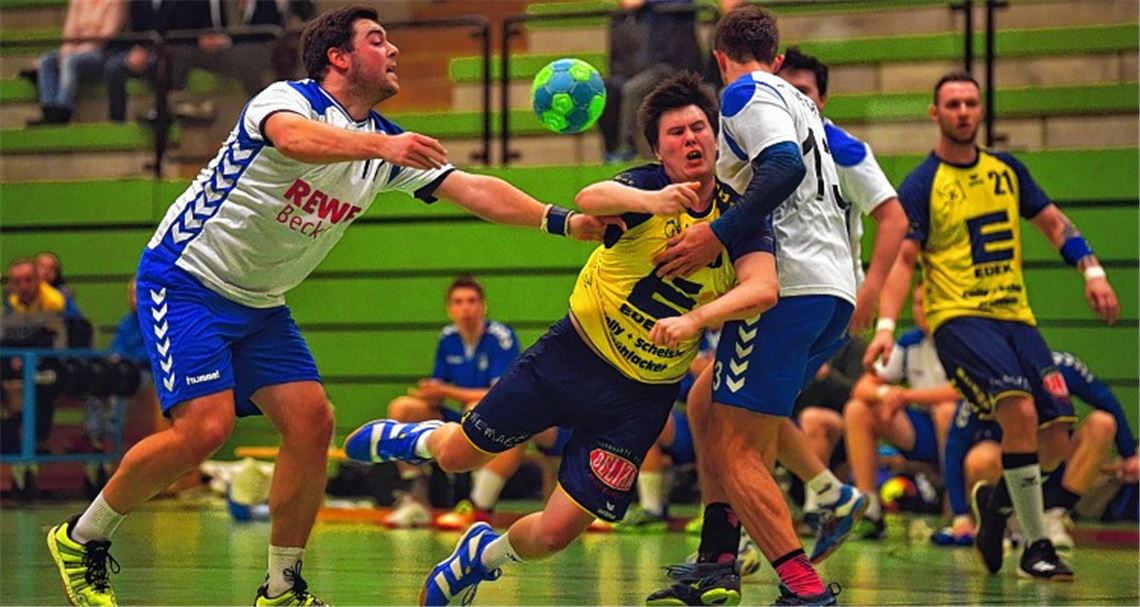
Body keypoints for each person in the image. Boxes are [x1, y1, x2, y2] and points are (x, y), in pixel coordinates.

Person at [45, 6, 612, 607]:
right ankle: (84, 537)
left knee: (313, 422)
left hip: (261, 302)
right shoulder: (286, 101)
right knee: (204, 428)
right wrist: (383, 146)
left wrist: (564, 220)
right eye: (377, 39)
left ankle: (281, 587)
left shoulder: (381, 147)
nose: (392, 50)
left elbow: (472, 188)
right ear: (338, 57)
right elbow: (294, 141)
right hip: (187, 280)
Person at [344, 71, 779, 607]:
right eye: (676, 133)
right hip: (571, 357)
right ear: (658, 150)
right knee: (459, 457)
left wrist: (697, 319)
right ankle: (414, 439)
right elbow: (589, 195)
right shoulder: (644, 188)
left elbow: (764, 288)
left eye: (698, 128)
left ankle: (480, 557)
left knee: (554, 533)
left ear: (715, 138)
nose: (691, 139)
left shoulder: (738, 217)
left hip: (639, 399)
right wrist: (652, 203)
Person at [863, 71, 1119, 581]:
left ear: (981, 111)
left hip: (1015, 317)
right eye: (952, 104)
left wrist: (1092, 270)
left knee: (1057, 437)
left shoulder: (1007, 171)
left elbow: (1052, 222)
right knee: (1019, 411)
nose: (962, 112)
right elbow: (904, 261)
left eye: (970, 103)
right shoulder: (921, 183)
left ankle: (998, 504)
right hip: (959, 318)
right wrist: (887, 325)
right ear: (935, 114)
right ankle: (1035, 546)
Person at [646, 6, 855, 605]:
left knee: (736, 450)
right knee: (706, 400)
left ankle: (802, 585)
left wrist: (717, 232)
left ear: (718, 58)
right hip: (832, 285)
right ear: (781, 56)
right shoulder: (801, 101)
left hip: (786, 286)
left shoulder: (743, 93)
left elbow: (784, 168)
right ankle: (716, 558)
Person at [941, 350, 1139, 547]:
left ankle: (1056, 513)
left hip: (1054, 461)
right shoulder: (987, 379)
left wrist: (1130, 455)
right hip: (1008, 468)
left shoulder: (1060, 367)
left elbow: (1105, 400)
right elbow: (954, 449)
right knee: (979, 459)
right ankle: (1007, 517)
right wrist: (960, 516)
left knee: (1102, 424)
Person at [775, 46, 907, 334]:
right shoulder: (763, 144)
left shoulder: (844, 151)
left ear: (822, 100)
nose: (794, 101)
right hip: (775, 293)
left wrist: (870, 293)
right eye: (784, 91)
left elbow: (895, 219)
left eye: (803, 92)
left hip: (832, 297)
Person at [383, 275, 520, 529]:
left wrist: (446, 390)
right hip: (455, 415)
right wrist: (430, 392)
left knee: (476, 410)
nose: (465, 307)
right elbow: (440, 385)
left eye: (471, 301)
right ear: (449, 308)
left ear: (483, 306)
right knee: (401, 408)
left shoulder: (501, 337)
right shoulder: (448, 338)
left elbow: (497, 394)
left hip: (487, 417)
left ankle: (476, 505)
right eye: (458, 302)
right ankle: (416, 497)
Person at [843, 282, 958, 539]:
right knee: (858, 410)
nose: (923, 310)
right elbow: (863, 387)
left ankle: (955, 513)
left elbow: (960, 390)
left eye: (929, 302)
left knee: (946, 411)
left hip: (964, 427)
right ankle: (869, 509)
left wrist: (906, 396)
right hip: (923, 430)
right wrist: (886, 394)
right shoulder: (909, 343)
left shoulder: (960, 339)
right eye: (918, 304)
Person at [1, 259, 70, 455]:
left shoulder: (56, 306)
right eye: (17, 281)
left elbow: (60, 347)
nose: (23, 287)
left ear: (38, 281)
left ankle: (39, 441)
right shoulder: (7, 311)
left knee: (44, 382)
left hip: (47, 368)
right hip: (14, 368)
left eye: (28, 280)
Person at [30, 0, 126, 125]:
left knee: (70, 61)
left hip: (103, 51)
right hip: (76, 49)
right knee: (47, 60)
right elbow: (70, 30)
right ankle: (49, 109)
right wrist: (66, 50)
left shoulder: (116, 2)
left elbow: (109, 33)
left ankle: (62, 109)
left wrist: (77, 51)